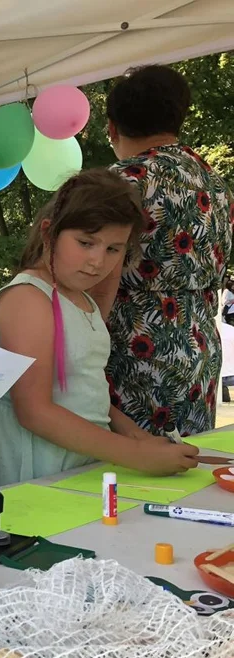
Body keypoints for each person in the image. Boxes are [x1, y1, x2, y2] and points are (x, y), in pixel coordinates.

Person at [0, 169, 199, 492]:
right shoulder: (28, 298)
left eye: (114, 249)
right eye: (86, 243)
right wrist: (137, 455)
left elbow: (84, 385)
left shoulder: (81, 297)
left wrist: (136, 435)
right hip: (28, 474)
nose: (97, 261)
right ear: (49, 234)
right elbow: (34, 411)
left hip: (74, 464)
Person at [91, 65, 234, 436]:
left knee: (122, 477)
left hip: (136, 352)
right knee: (183, 473)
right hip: (198, 348)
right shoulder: (215, 185)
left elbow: (94, 281)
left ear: (112, 127)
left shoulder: (120, 182)